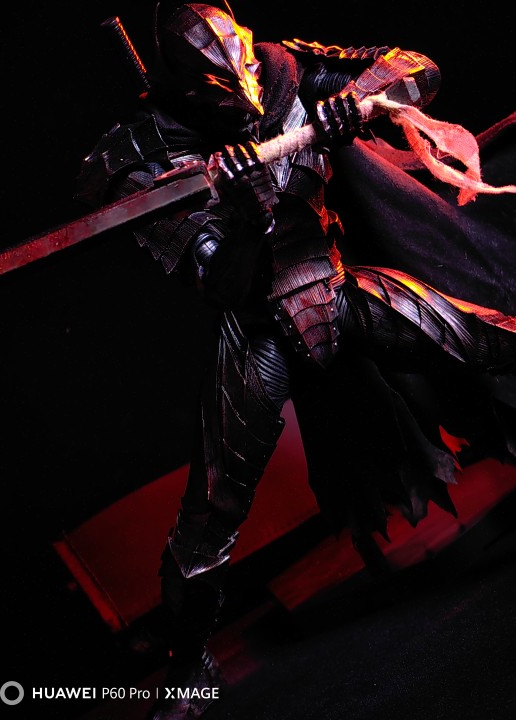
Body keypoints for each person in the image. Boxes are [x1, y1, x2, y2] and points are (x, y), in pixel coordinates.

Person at [75, 3, 516, 718]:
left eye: (245, 68)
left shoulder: (284, 70)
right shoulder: (149, 155)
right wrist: (249, 216)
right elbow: (220, 282)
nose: (247, 94)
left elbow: (419, 68)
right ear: (183, 90)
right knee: (209, 518)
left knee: (491, 338)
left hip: (340, 287)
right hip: (259, 335)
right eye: (221, 89)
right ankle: (188, 668)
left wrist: (357, 97)